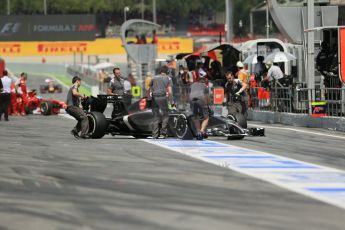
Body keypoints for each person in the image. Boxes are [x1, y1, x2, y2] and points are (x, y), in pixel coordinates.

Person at [148, 66, 173, 139]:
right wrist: (171, 101)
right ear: (166, 72)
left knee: (156, 116)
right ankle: (163, 131)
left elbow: (149, 88)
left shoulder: (154, 78)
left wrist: (149, 98)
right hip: (162, 97)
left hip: (154, 97)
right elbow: (170, 92)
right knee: (165, 114)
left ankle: (155, 134)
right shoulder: (168, 78)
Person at [189, 75, 210, 140]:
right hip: (201, 98)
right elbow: (207, 98)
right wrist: (208, 105)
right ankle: (202, 131)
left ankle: (198, 132)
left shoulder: (192, 85)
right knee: (206, 118)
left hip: (191, 99)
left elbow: (189, 93)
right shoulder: (205, 86)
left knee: (196, 116)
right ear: (204, 82)